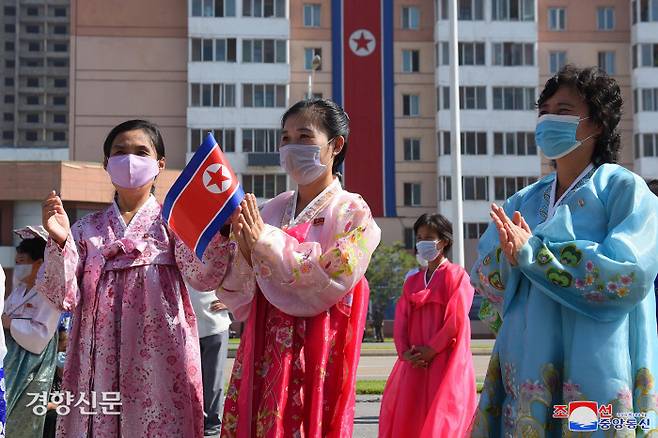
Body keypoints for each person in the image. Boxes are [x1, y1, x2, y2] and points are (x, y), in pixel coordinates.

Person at [470, 65, 658, 436]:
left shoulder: (625, 190)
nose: (549, 120)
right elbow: (488, 285)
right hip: (526, 357)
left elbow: (627, 274)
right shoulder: (525, 199)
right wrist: (508, 261)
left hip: (596, 360)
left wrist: (534, 256)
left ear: (598, 123)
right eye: (545, 112)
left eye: (564, 111)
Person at [37, 120, 233, 437]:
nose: (130, 159)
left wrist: (220, 231)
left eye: (141, 152)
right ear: (106, 163)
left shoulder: (175, 222)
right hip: (97, 354)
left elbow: (204, 274)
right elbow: (62, 295)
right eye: (120, 152)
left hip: (160, 352)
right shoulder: (85, 229)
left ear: (160, 164)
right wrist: (60, 240)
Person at [217, 98, 381, 437]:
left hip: (317, 345)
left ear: (336, 145)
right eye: (285, 138)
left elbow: (333, 273)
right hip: (263, 343)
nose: (291, 147)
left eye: (304, 137)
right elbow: (241, 291)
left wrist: (265, 242)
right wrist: (245, 251)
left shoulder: (352, 211)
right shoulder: (273, 208)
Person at [379, 213, 476, 438]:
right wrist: (405, 353)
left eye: (429, 237)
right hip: (415, 361)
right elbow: (401, 320)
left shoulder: (456, 276)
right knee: (412, 414)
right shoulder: (412, 280)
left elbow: (456, 319)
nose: (423, 242)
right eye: (420, 237)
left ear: (444, 241)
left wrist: (432, 349)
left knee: (441, 413)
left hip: (443, 358)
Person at [3, 227, 60, 437]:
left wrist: (11, 324)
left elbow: (40, 338)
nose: (18, 268)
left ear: (39, 264)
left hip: (32, 366)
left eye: (22, 263)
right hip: (10, 362)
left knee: (23, 418)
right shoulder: (17, 292)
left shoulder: (48, 296)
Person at [188, 285, 231, 437]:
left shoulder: (220, 260)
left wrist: (232, 303)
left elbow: (240, 278)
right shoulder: (180, 260)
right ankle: (193, 422)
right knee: (188, 381)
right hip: (186, 327)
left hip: (216, 325)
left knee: (213, 382)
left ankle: (212, 427)